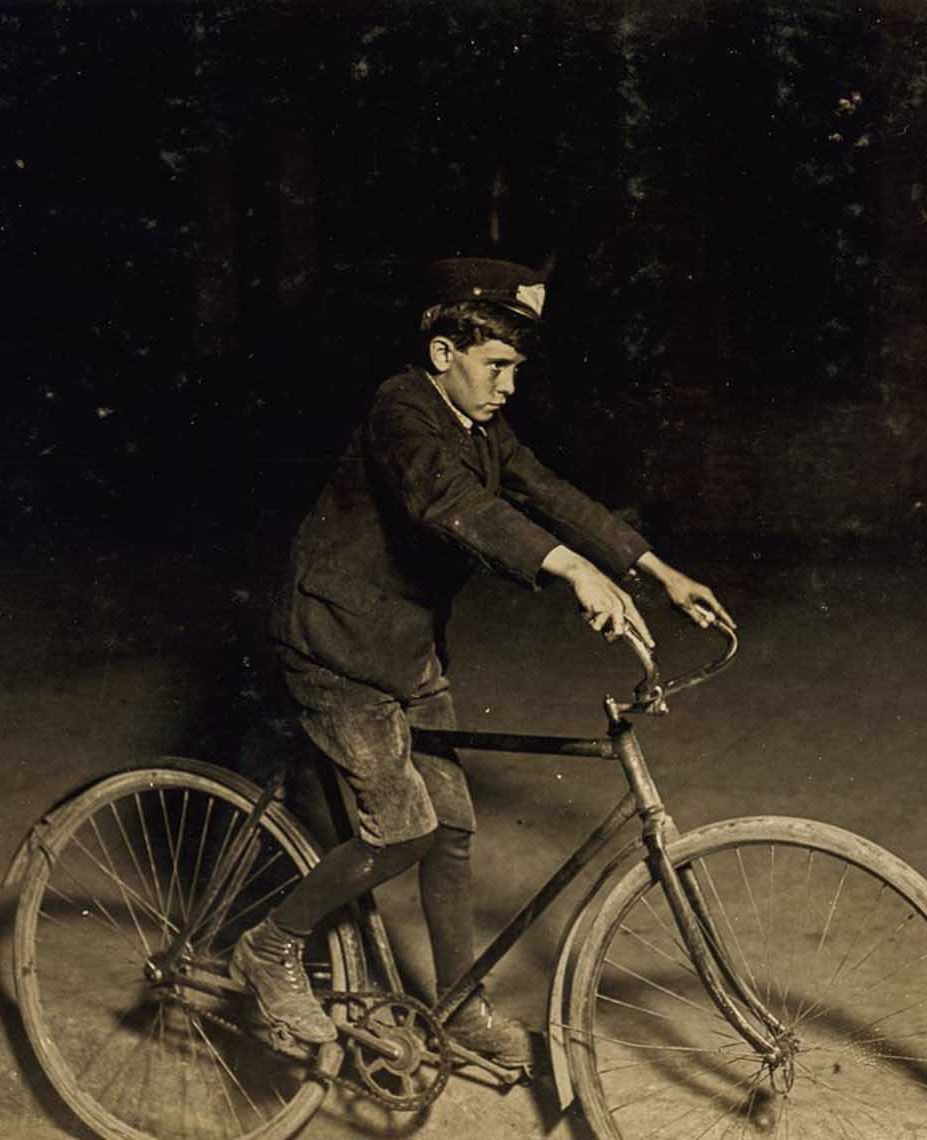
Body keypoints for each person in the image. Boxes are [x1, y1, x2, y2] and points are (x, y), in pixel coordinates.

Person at [234, 256, 734, 1066]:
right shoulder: (401, 411)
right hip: (334, 648)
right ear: (443, 354)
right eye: (495, 366)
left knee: (453, 830)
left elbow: (551, 493)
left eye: (515, 369)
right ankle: (269, 948)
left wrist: (657, 571)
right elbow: (448, 503)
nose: (508, 385)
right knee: (402, 831)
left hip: (405, 649)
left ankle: (458, 1008)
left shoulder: (484, 427)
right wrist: (569, 569)